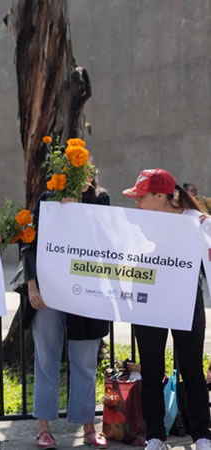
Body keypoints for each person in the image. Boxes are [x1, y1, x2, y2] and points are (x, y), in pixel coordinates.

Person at [122, 169, 211, 450]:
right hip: (149, 299)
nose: (136, 202)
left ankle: (202, 435)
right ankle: (155, 436)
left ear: (161, 196)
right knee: (151, 370)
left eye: (141, 196)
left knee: (193, 370)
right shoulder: (137, 222)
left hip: (185, 300)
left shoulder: (196, 223)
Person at [23, 175, 111, 449]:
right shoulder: (47, 200)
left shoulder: (100, 199)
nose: (80, 175)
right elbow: (30, 243)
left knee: (84, 361)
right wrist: (32, 285)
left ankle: (88, 426)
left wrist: (78, 209)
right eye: (73, 169)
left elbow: (105, 240)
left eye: (84, 170)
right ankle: (43, 428)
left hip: (86, 292)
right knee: (46, 359)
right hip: (48, 291)